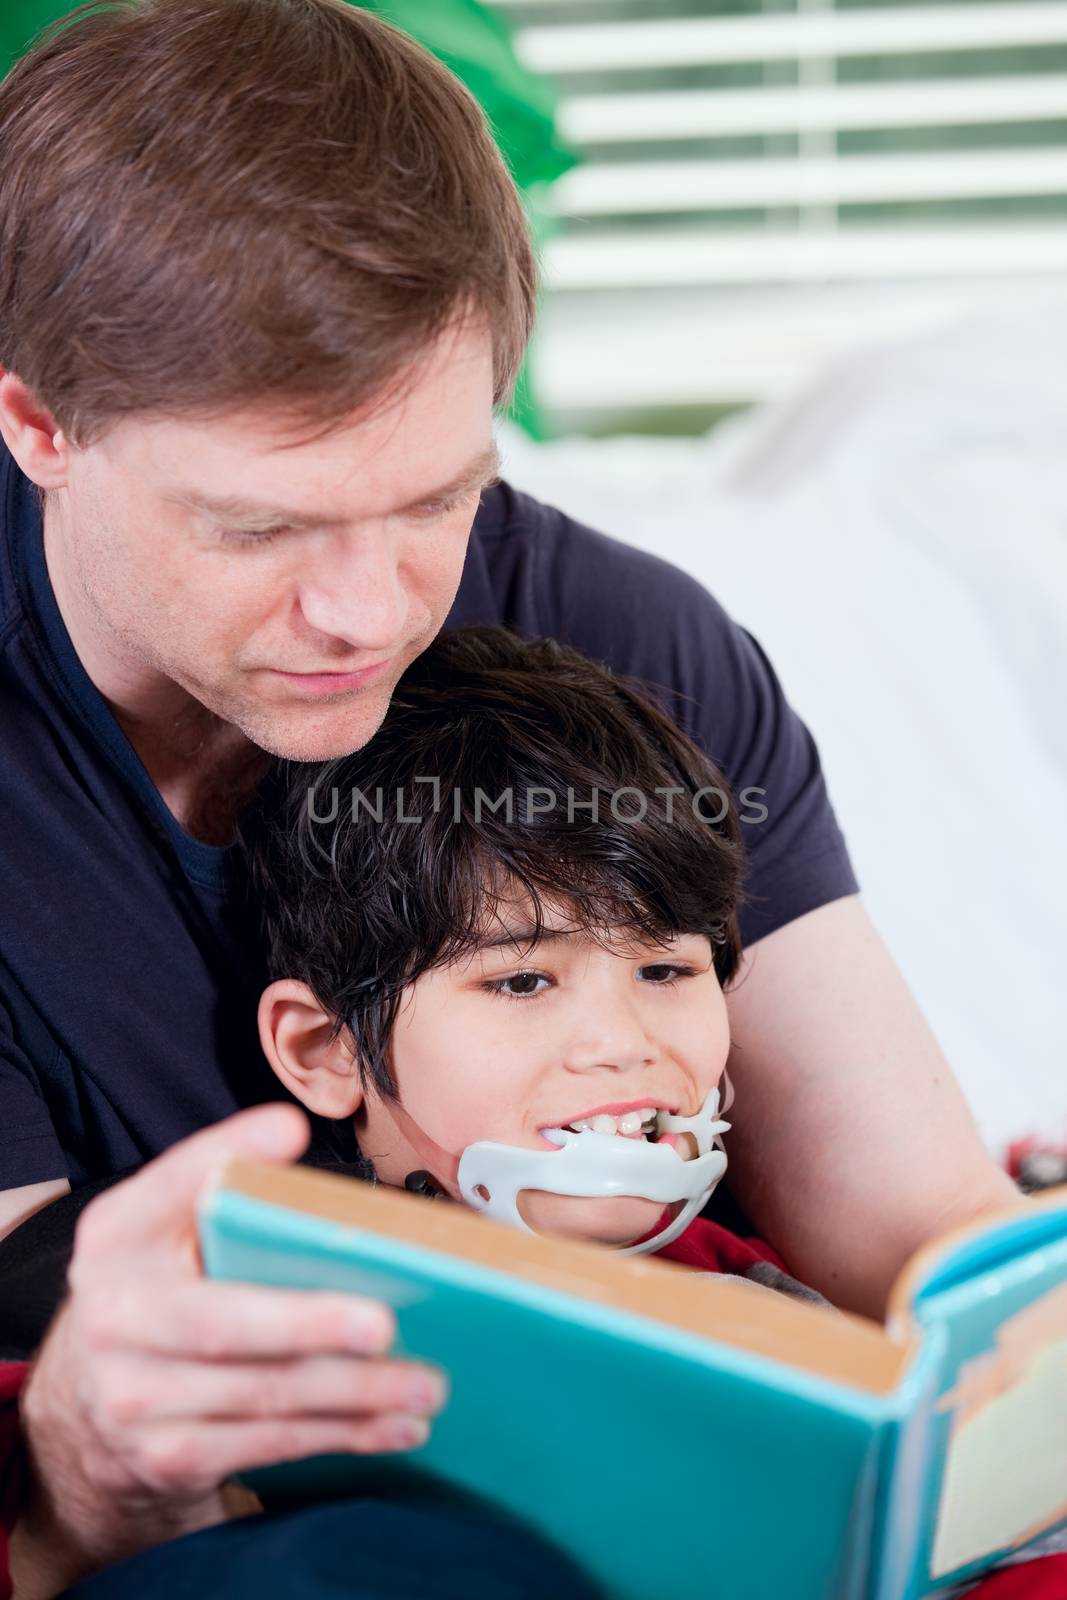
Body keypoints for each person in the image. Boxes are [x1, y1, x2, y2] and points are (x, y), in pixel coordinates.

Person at [0, 0, 1025, 1594]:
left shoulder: (630, 641)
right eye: (262, 528)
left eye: (433, 498)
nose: (368, 610)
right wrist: (83, 1474)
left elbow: (920, 1235)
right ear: (36, 426)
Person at [246, 624, 829, 1298]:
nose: (621, 1043)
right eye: (523, 982)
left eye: (664, 971)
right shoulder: (272, 1317)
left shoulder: (764, 1309)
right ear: (327, 1048)